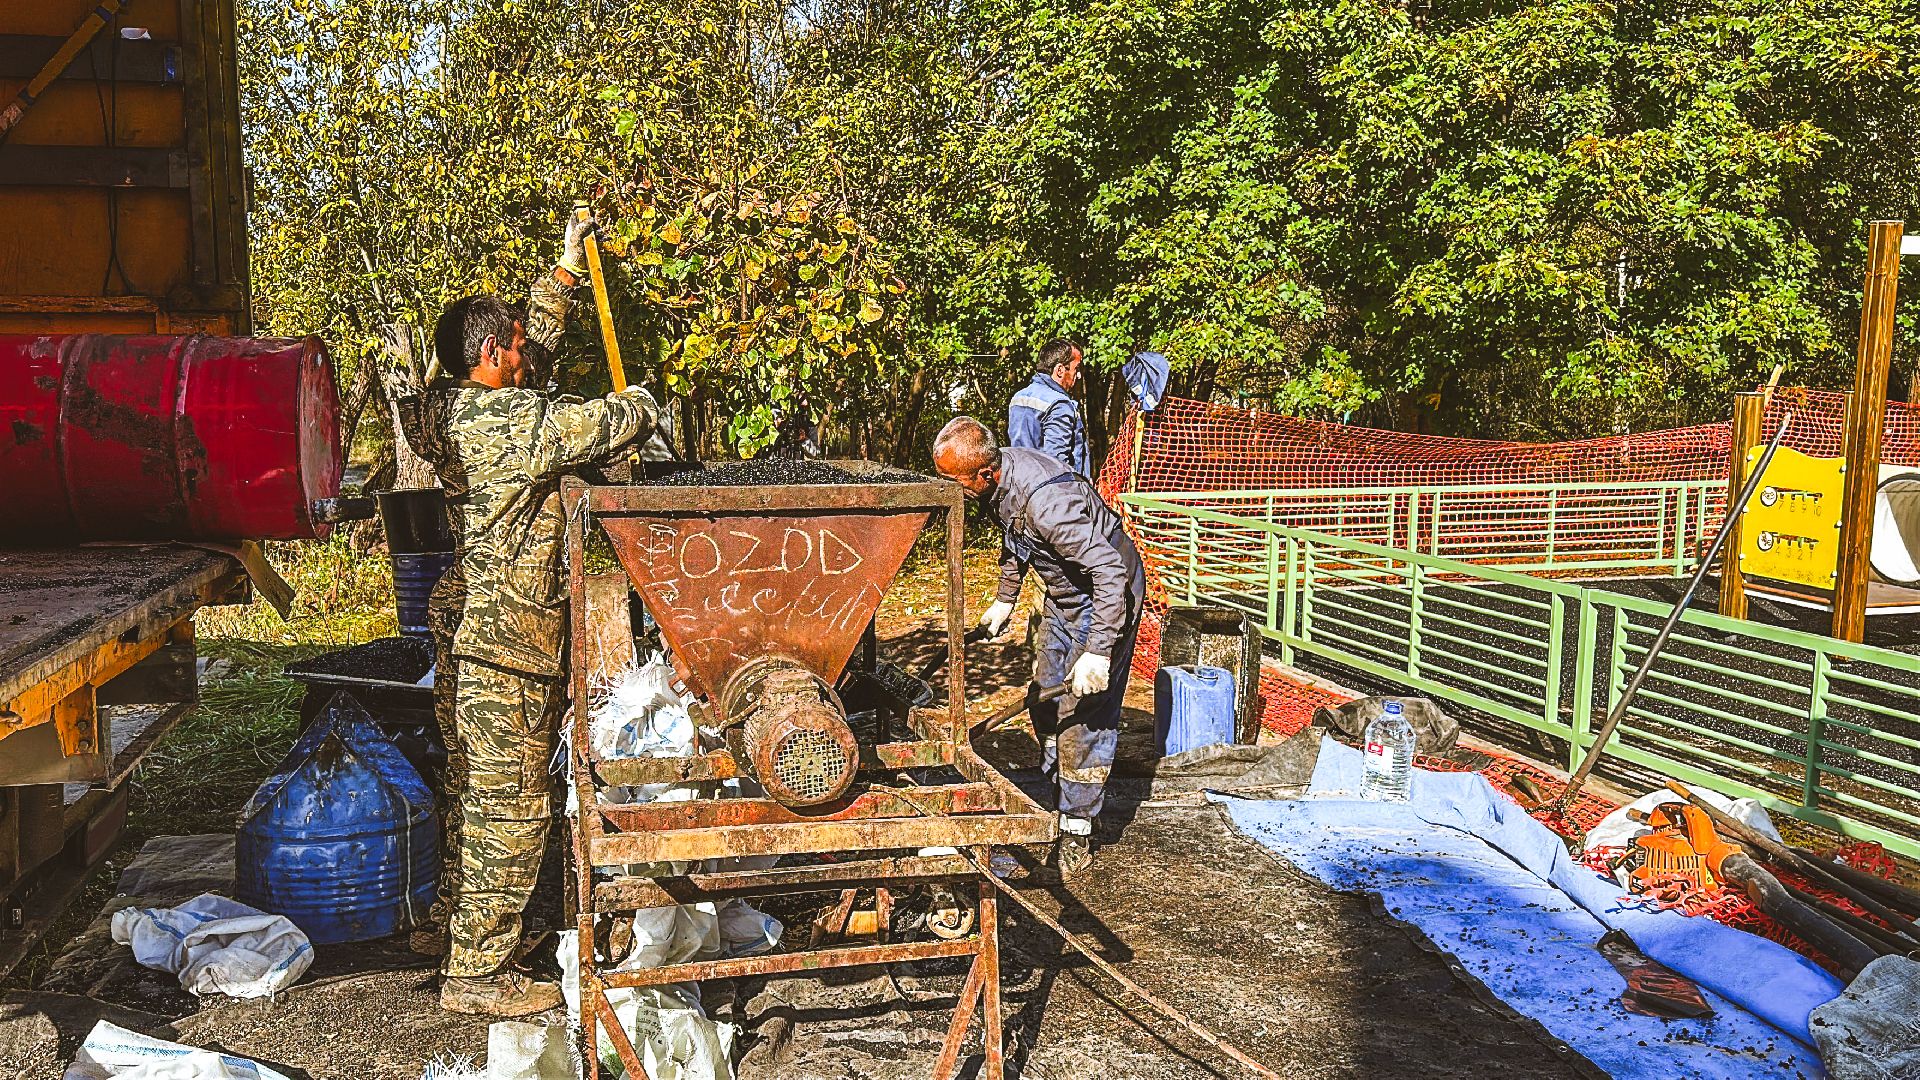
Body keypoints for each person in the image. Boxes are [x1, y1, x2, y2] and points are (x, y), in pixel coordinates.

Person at [424, 216, 666, 1017]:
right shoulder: (508, 426)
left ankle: (454, 929)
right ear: (490, 357)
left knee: (472, 794)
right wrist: (638, 404)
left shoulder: (453, 410)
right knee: (511, 808)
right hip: (507, 646)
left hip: (478, 634)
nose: (529, 359)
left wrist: (563, 277)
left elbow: (534, 373)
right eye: (517, 348)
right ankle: (477, 973)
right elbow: (589, 422)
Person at [932, 416, 1145, 873]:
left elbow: (1109, 571)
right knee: (1045, 693)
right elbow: (1017, 540)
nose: (950, 490)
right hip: (1065, 595)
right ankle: (1055, 788)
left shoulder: (1048, 502)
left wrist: (1098, 650)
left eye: (955, 482)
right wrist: (1004, 598)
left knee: (1083, 715)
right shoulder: (997, 484)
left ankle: (1077, 828)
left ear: (984, 473)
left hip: (1106, 595)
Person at [1007, 338, 1089, 477]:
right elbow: (1057, 465)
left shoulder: (1019, 398)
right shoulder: (1059, 404)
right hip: (1053, 492)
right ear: (1060, 370)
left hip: (1023, 484)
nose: (1079, 375)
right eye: (1077, 369)